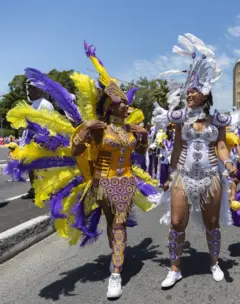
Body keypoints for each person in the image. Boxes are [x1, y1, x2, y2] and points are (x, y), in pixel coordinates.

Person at [5, 51, 162, 299]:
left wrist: (143, 138)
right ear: (111, 106)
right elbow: (77, 150)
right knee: (114, 225)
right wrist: (85, 128)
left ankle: (116, 271)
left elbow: (138, 153)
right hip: (103, 184)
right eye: (123, 103)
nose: (127, 106)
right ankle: (116, 263)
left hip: (127, 183)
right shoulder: (99, 130)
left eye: (126, 103)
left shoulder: (131, 130)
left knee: (118, 225)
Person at [153, 34, 239, 288]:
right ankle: (175, 268)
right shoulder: (180, 119)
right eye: (187, 90)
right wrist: (168, 175)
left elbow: (221, 146)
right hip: (184, 175)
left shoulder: (218, 121)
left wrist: (230, 163)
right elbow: (178, 147)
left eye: (193, 90)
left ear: (205, 93)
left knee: (212, 222)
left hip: (211, 177)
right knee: (177, 222)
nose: (188, 93)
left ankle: (214, 263)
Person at [20, 80, 54, 200]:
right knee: (31, 166)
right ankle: (35, 189)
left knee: (42, 167)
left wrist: (43, 139)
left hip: (41, 139)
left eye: (31, 88)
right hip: (31, 140)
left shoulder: (45, 104)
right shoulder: (34, 104)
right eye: (28, 88)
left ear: (38, 90)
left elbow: (47, 123)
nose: (28, 91)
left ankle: (45, 190)